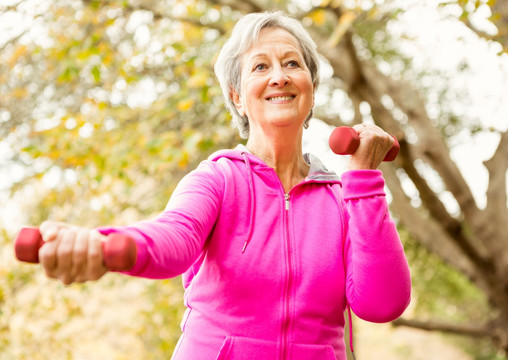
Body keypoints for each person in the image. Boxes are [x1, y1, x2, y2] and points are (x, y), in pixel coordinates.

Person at [37, 11, 411, 360]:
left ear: (310, 88)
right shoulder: (217, 179)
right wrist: (105, 246)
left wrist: (363, 177)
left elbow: (381, 304)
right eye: (260, 66)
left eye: (292, 63)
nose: (278, 76)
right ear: (237, 96)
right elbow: (173, 237)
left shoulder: (342, 201)